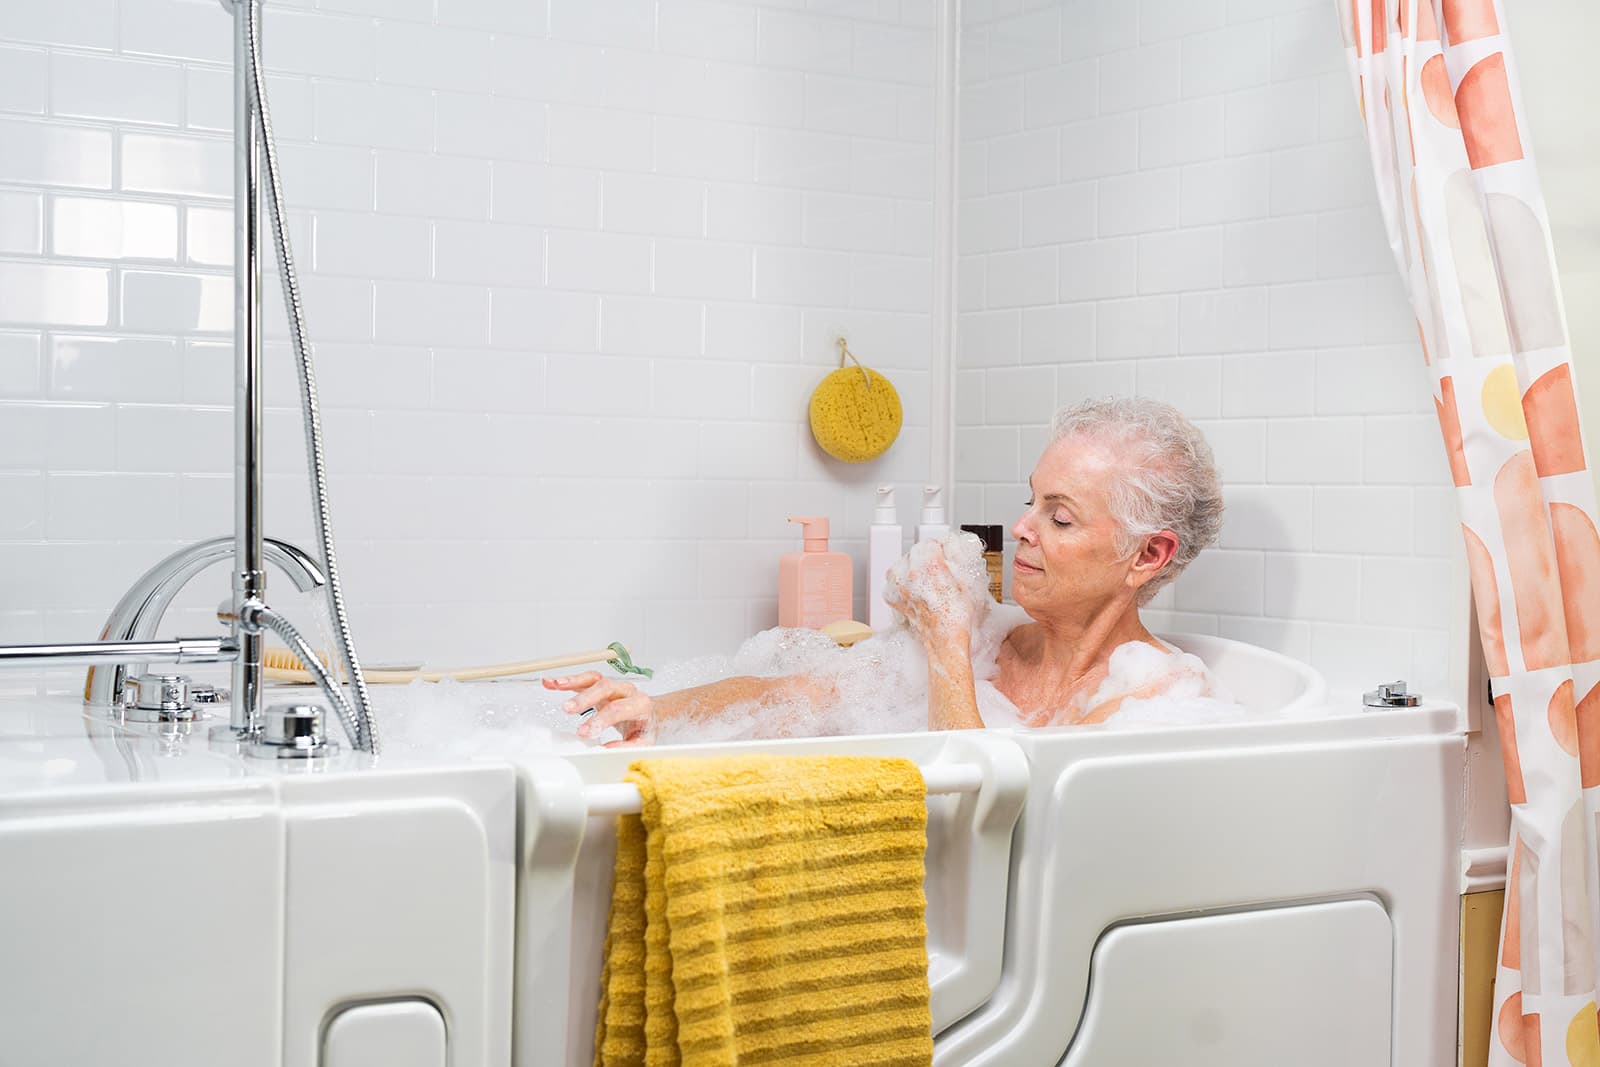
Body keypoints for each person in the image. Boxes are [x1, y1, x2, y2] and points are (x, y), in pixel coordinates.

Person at [545, 396, 1225, 746]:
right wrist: (660, 711)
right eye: (1030, 501)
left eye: (1061, 516)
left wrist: (946, 641)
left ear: (1149, 555)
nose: (1022, 527)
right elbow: (806, 696)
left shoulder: (1153, 704)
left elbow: (996, 824)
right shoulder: (999, 646)